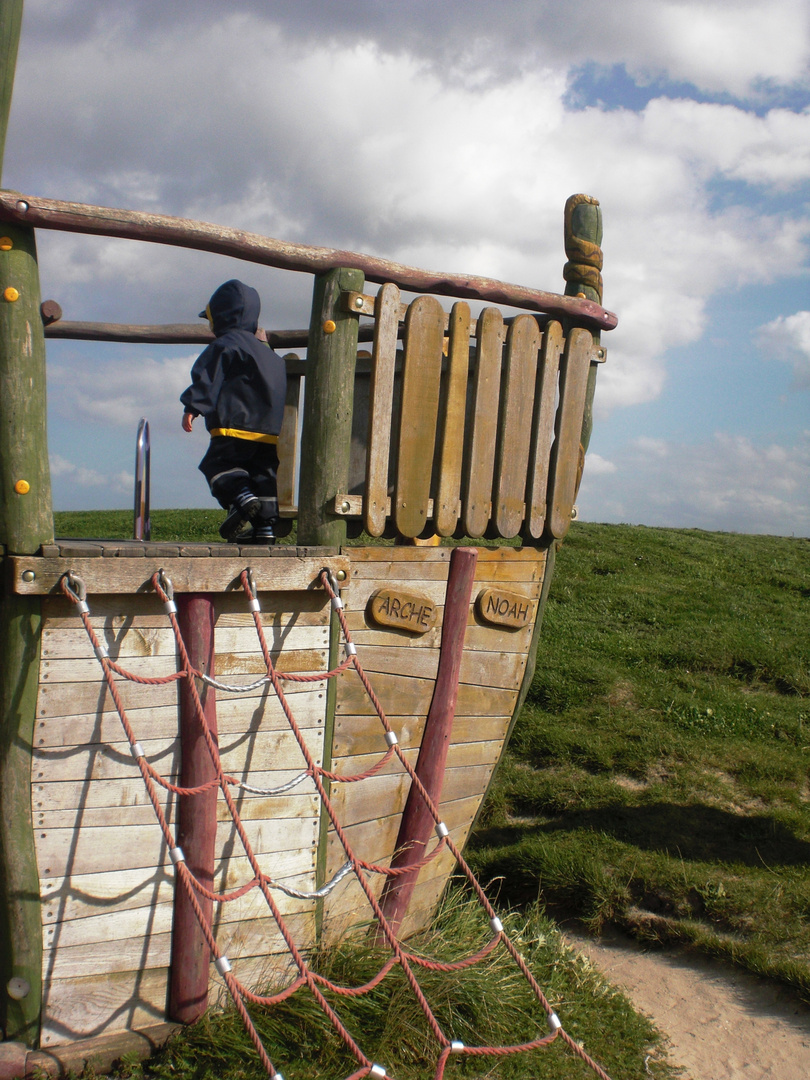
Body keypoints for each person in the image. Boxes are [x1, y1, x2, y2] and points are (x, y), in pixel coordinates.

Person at [180, 279, 286, 543]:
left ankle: (241, 498)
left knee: (218, 465)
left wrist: (194, 406)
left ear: (222, 316)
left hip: (233, 423)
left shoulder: (224, 345)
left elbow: (208, 377)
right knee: (263, 475)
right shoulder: (269, 355)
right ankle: (265, 531)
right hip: (267, 431)